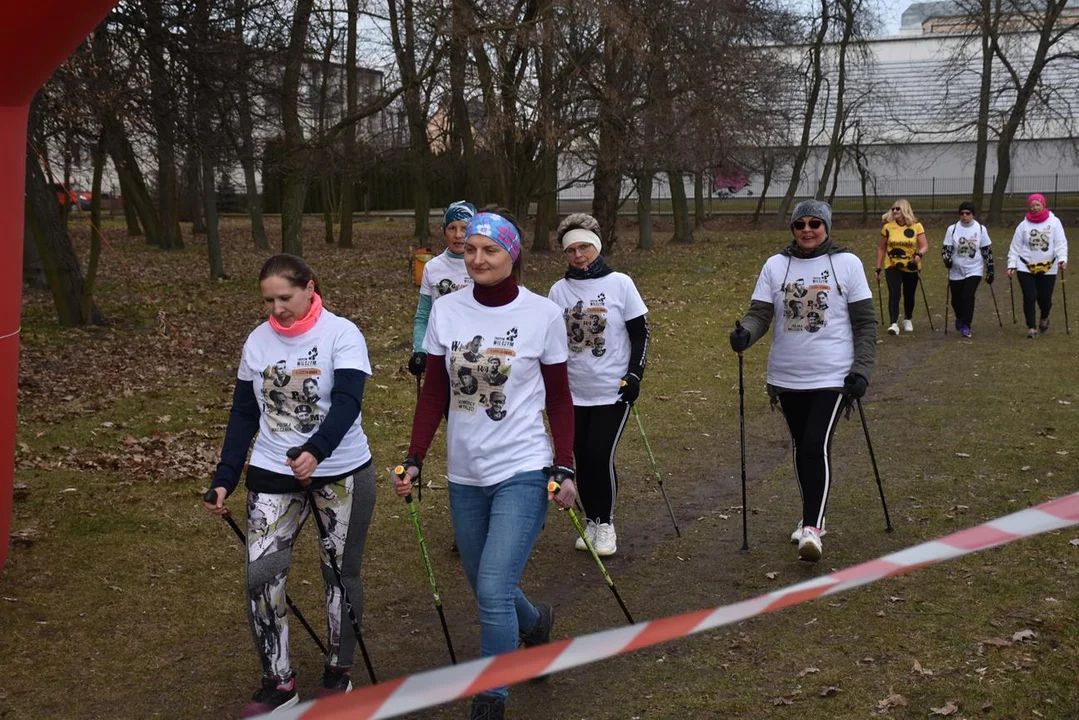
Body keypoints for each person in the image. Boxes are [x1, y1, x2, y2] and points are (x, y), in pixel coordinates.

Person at [392, 210, 577, 720]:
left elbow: (561, 400)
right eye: (470, 249)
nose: (477, 258)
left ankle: (491, 697)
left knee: (493, 586)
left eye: (489, 250)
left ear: (511, 254)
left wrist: (565, 466)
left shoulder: (543, 315)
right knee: (485, 584)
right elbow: (433, 393)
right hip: (465, 471)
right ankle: (535, 625)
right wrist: (415, 458)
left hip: (523, 466)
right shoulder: (446, 311)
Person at [204, 254, 376, 716]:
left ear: (309, 288)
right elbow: (243, 414)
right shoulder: (257, 342)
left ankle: (338, 671)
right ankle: (278, 683)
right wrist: (225, 479)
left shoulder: (342, 334)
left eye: (286, 297)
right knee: (261, 577)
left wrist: (315, 451)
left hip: (340, 471)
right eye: (268, 300)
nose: (277, 308)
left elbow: (347, 401)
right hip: (272, 473)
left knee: (339, 573)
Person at [730, 200, 877, 562]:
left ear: (826, 227)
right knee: (803, 446)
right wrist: (745, 335)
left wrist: (861, 370)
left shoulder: (847, 264)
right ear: (793, 228)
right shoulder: (776, 265)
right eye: (800, 224)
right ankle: (814, 513)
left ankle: (812, 526)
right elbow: (760, 314)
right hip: (787, 376)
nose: (807, 230)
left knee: (814, 442)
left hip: (833, 375)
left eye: (815, 223)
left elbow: (865, 324)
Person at [547, 213, 649, 557]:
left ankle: (605, 524)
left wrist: (634, 374)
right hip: (572, 392)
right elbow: (551, 340)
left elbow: (641, 333)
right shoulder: (559, 290)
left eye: (584, 248)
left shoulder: (621, 283)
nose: (578, 255)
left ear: (597, 247)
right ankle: (591, 519)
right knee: (580, 457)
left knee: (599, 454)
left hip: (612, 389)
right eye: (571, 250)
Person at [409, 201, 476, 379]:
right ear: (444, 231)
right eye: (452, 228)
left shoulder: (481, 266)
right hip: (440, 352)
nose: (458, 235)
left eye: (464, 228)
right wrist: (420, 351)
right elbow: (423, 316)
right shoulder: (432, 267)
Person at [1007, 193, 1069, 339]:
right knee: (1029, 296)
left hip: (1049, 266)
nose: (1034, 208)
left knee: (1044, 298)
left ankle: (1044, 317)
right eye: (1032, 205)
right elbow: (1015, 247)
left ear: (1043, 205)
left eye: (1037, 205)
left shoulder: (1054, 222)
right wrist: (1011, 265)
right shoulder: (1023, 226)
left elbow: (1060, 242)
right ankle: (1031, 327)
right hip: (1025, 265)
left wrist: (1062, 259)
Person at [876, 199, 928, 335]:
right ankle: (894, 323)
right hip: (892, 264)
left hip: (911, 265)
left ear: (904, 210)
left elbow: (924, 245)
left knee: (909, 294)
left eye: (897, 209)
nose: (894, 211)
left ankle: (908, 319)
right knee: (895, 293)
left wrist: (919, 255)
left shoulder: (916, 226)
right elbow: (881, 248)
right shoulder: (888, 227)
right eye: (893, 209)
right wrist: (878, 267)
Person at [942, 201, 994, 338]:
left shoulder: (980, 229)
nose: (964, 216)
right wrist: (946, 259)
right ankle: (960, 317)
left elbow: (987, 251)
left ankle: (966, 325)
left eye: (968, 213)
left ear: (973, 214)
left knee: (968, 296)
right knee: (956, 300)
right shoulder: (952, 229)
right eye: (962, 213)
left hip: (974, 268)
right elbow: (946, 249)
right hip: (956, 270)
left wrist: (990, 269)